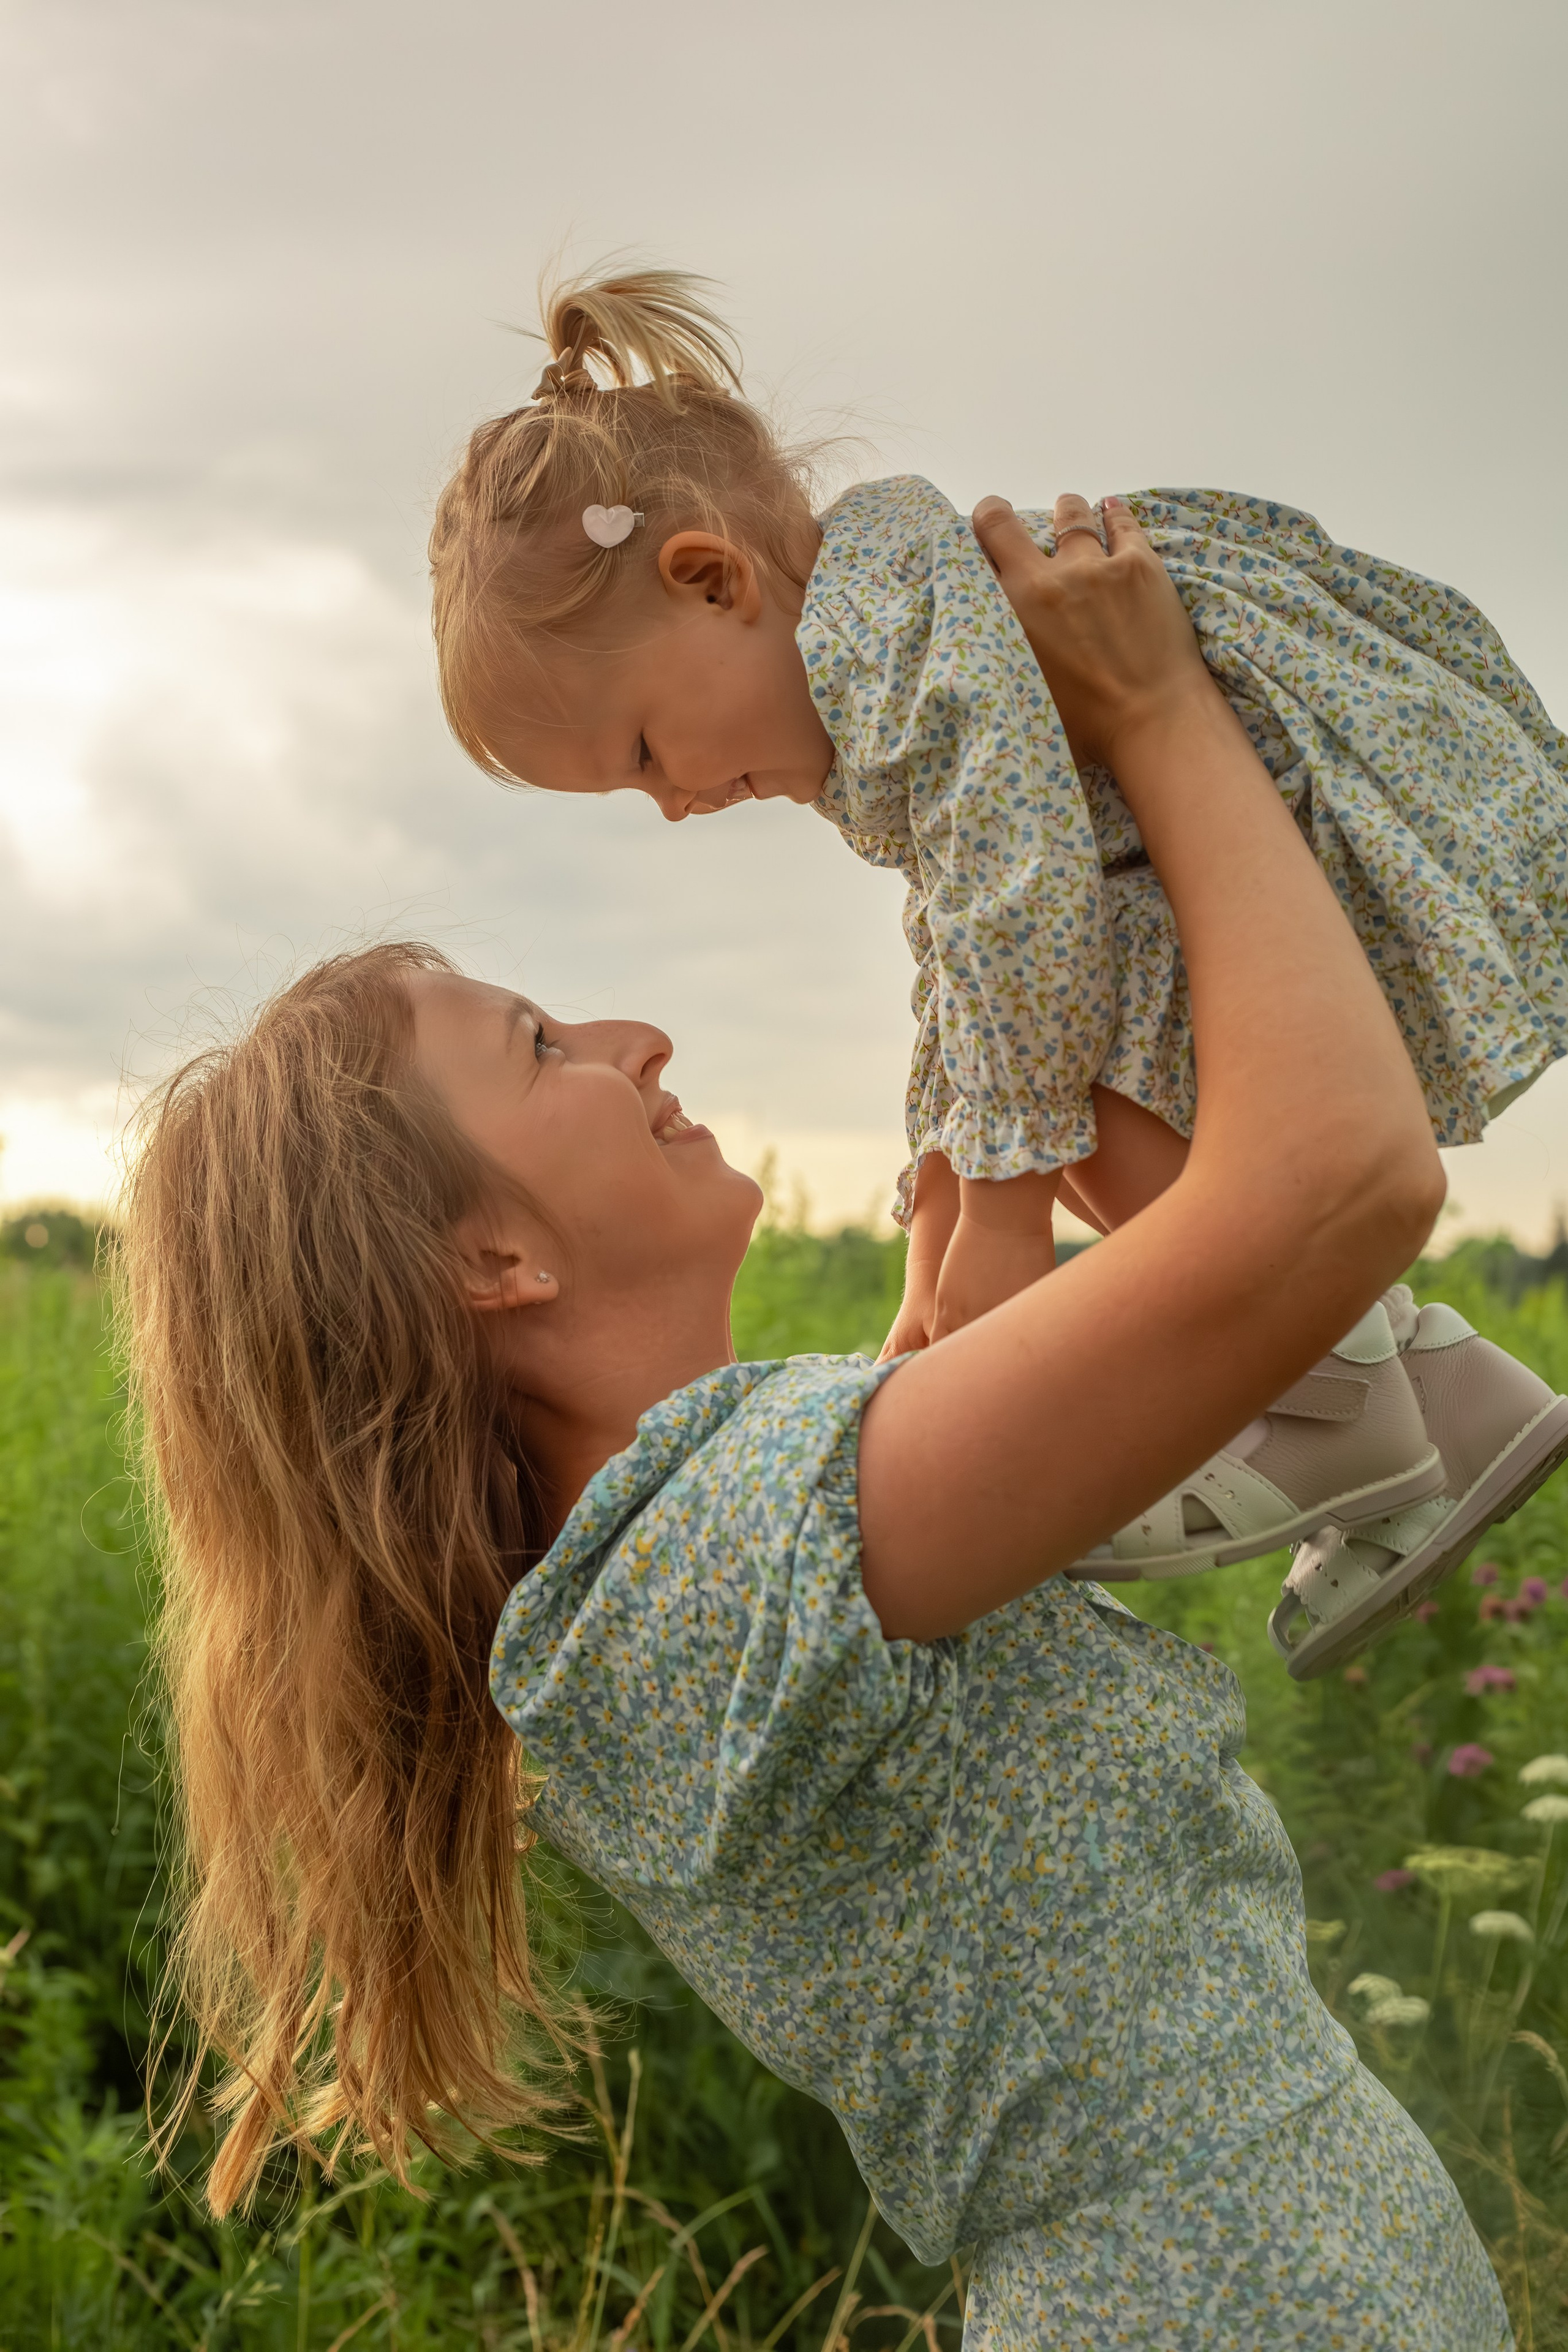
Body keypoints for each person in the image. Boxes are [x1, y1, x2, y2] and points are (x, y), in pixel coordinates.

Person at [122, 500, 1511, 2345]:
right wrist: (1158, 707)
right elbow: (1336, 1181)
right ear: (487, 1260)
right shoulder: (700, 1580)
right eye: (541, 1045)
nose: (640, 1040)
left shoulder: (759, 1508)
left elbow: (1117, 1195)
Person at [425, 267, 1568, 1668]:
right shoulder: (869, 669)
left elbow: (1020, 915)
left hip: (1280, 794)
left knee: (1068, 1052)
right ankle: (1433, 1388)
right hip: (1203, 836)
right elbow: (962, 966)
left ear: (711, 581)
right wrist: (936, 1248)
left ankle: (1326, 1391)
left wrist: (1012, 1216)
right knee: (1045, 1037)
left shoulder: (898, 639)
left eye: (646, 754)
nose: (673, 806)